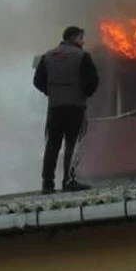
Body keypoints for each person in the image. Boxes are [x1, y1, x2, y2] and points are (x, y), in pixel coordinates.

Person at [33, 25, 99, 194]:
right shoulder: (82, 56)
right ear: (74, 38)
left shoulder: (48, 56)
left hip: (54, 108)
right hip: (75, 108)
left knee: (52, 144)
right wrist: (83, 94)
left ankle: (47, 183)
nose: (83, 42)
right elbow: (93, 81)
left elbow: (38, 81)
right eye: (81, 38)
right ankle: (68, 181)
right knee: (72, 144)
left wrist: (52, 93)